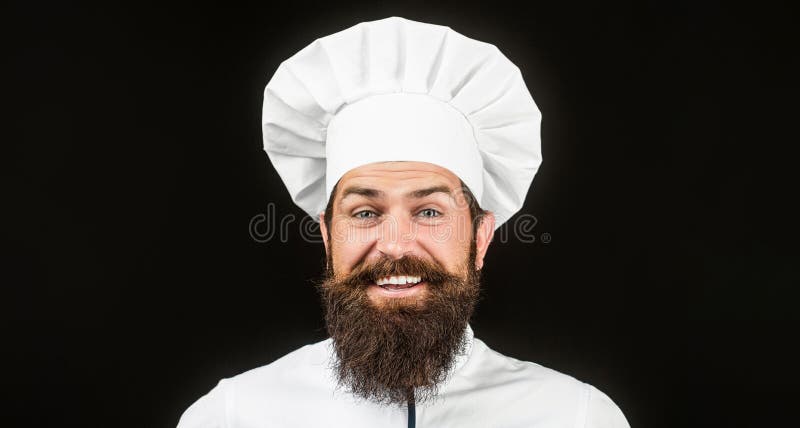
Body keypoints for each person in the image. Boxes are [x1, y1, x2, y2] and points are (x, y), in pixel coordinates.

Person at [177, 16, 630, 428]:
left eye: (429, 211)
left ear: (480, 238)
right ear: (327, 236)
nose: (395, 245)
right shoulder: (231, 415)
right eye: (365, 213)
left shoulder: (575, 416)